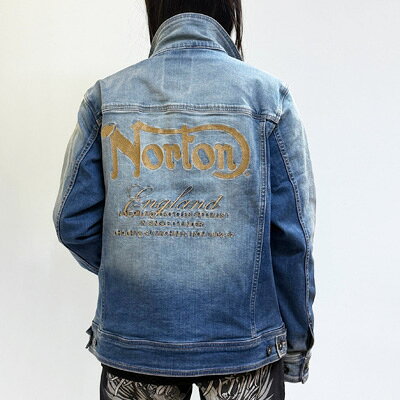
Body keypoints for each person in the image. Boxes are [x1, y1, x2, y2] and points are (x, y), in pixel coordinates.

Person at [52, 1, 317, 399]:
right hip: (242, 344)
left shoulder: (107, 96)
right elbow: (293, 237)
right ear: (229, 8)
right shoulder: (267, 97)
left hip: (136, 342)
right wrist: (295, 345)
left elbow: (73, 222)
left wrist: (140, 265)